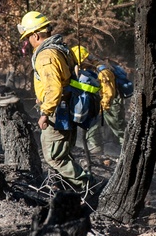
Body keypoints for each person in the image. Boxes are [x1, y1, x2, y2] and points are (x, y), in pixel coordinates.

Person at [17, 11, 94, 197]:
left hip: (57, 111)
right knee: (62, 153)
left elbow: (54, 89)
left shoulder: (46, 56)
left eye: (28, 37)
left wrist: (45, 113)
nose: (27, 42)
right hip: (66, 107)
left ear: (36, 35)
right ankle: (70, 192)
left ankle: (88, 187)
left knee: (54, 157)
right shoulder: (60, 48)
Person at [71, 45, 125, 157]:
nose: (80, 66)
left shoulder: (103, 71)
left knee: (118, 129)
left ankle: (128, 149)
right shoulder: (89, 69)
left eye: (80, 63)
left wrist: (103, 108)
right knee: (92, 127)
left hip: (111, 104)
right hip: (98, 102)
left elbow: (109, 94)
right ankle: (98, 150)